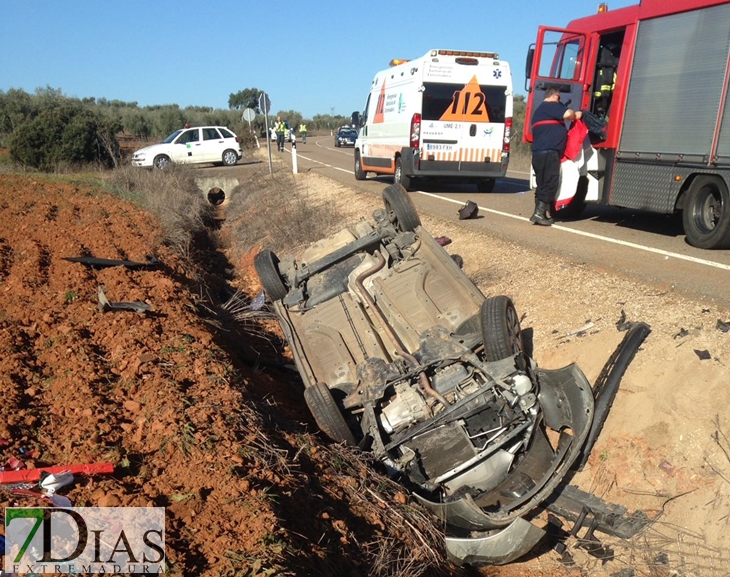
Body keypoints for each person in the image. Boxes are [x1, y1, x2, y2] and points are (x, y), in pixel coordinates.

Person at [529, 86, 582, 226]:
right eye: (559, 98)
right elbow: (568, 114)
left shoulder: (540, 111)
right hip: (549, 152)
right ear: (554, 95)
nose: (559, 101)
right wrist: (576, 115)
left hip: (539, 153)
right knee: (550, 183)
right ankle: (539, 213)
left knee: (542, 184)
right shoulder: (550, 105)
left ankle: (541, 213)